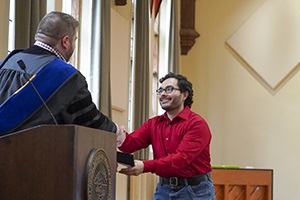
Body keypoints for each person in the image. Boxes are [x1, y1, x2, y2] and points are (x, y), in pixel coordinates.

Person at [0, 11, 118, 136]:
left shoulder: (7, 63)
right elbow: (90, 122)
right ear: (65, 41)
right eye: (74, 40)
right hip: (34, 153)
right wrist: (116, 131)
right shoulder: (67, 77)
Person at [117, 72, 215, 200]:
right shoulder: (153, 123)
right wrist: (116, 130)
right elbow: (130, 145)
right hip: (164, 188)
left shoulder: (197, 124)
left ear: (184, 95)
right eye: (160, 90)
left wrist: (145, 166)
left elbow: (181, 159)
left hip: (195, 190)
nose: (163, 94)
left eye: (169, 89)